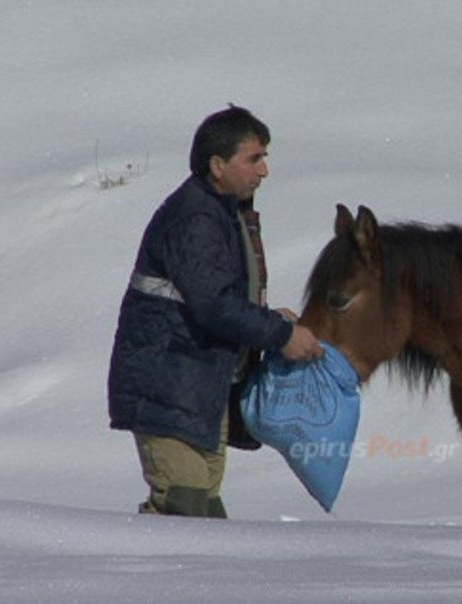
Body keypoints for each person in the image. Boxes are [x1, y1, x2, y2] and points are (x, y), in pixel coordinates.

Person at [108, 105, 323, 518]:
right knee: (183, 510)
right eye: (254, 158)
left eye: (265, 157)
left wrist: (268, 316)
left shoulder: (223, 212)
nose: (264, 171)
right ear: (218, 165)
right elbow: (213, 305)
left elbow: (215, 295)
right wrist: (279, 334)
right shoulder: (196, 218)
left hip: (198, 390)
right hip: (168, 387)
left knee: (206, 516)